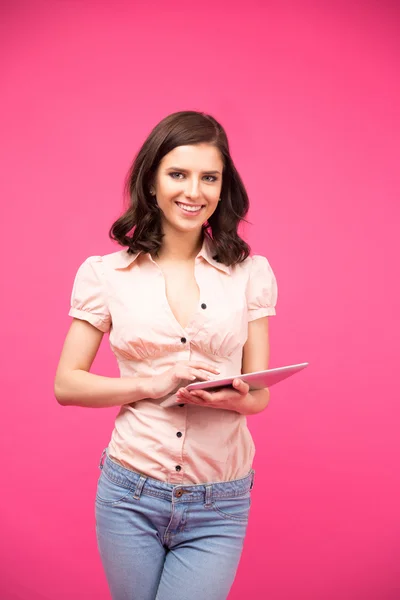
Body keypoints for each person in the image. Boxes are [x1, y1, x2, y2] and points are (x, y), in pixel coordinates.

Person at [54, 110, 278, 600]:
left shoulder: (251, 274)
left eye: (209, 178)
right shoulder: (106, 275)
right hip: (129, 493)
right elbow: (66, 384)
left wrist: (232, 398)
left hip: (220, 499)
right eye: (178, 174)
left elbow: (258, 393)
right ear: (152, 182)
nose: (193, 191)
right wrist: (151, 384)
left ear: (222, 189)